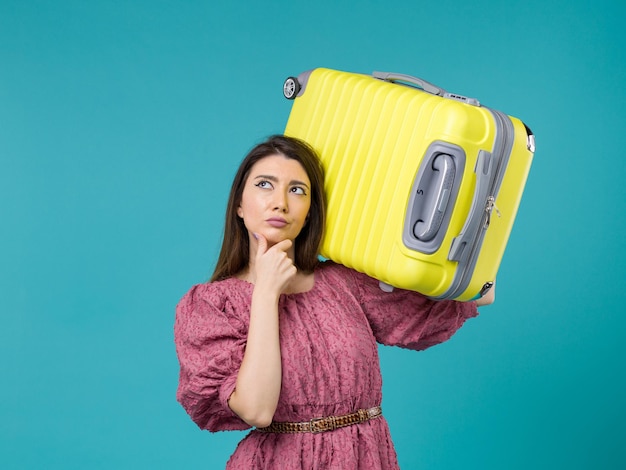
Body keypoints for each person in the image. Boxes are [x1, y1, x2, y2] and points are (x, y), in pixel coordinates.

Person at [174, 135, 494, 469]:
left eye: (297, 190)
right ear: (239, 204)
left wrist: (478, 207)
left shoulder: (345, 281)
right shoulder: (211, 307)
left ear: (310, 211)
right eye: (265, 185)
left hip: (366, 458)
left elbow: (480, 291)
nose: (280, 202)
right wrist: (267, 291)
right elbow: (257, 409)